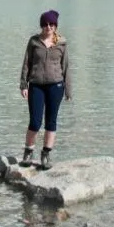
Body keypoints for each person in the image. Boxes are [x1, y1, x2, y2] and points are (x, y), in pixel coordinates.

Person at [19, 9, 72, 169]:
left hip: (56, 86)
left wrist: (68, 90)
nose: (48, 27)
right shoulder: (34, 41)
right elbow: (26, 63)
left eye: (51, 24)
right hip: (36, 86)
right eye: (45, 24)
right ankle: (28, 152)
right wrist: (23, 84)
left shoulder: (61, 43)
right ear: (42, 26)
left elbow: (66, 67)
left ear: (55, 26)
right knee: (35, 121)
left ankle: (46, 154)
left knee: (51, 121)